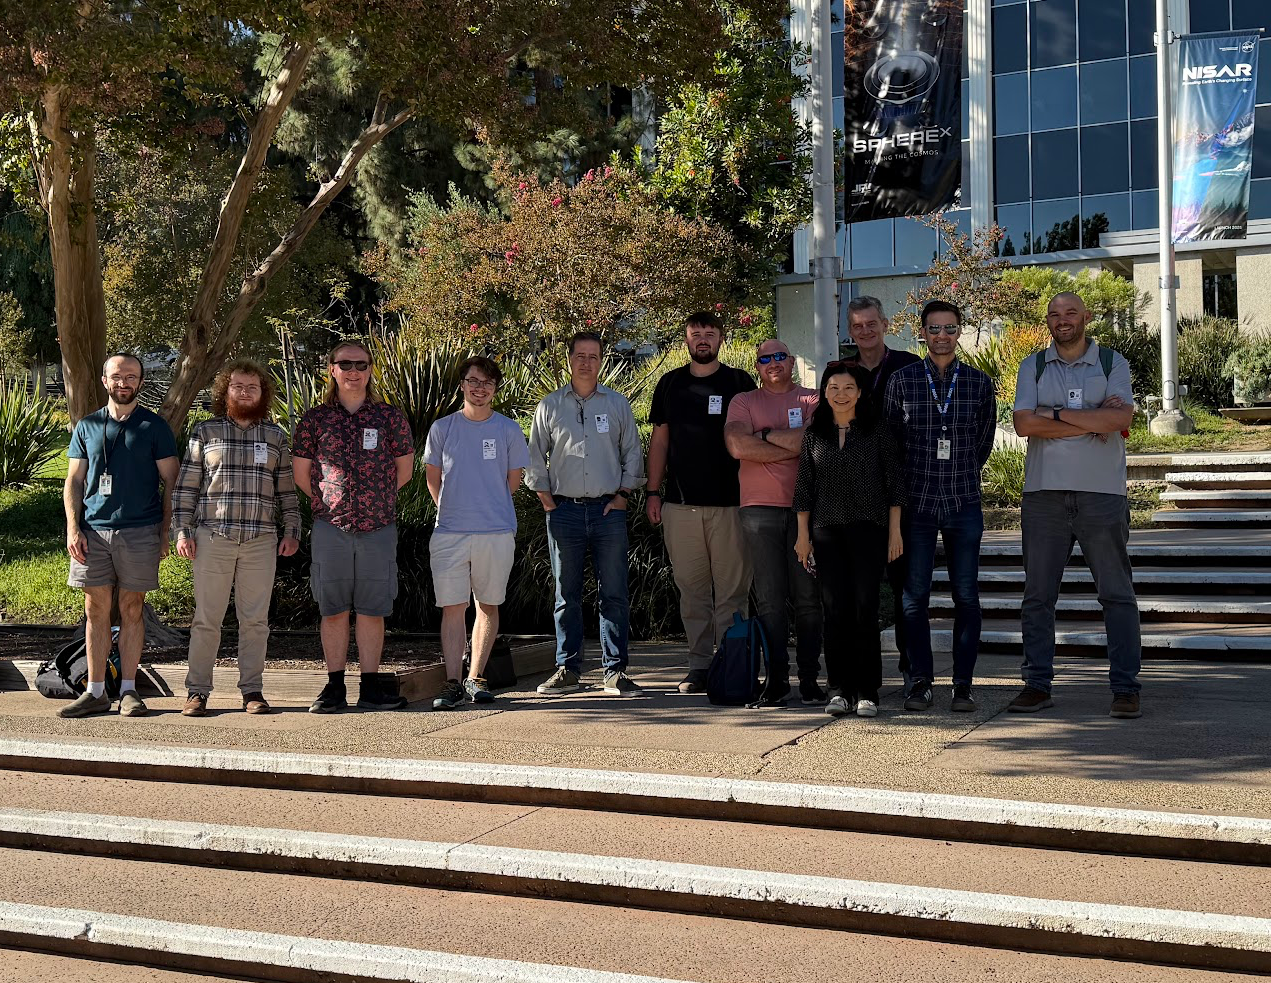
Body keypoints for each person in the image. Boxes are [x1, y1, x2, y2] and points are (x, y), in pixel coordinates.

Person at [1011, 292, 1141, 718]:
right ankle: (1037, 684)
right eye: (1054, 314)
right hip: (1043, 495)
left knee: (1117, 595)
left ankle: (1125, 689)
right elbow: (1023, 424)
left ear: (1086, 316)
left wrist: (1054, 416)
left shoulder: (1112, 363)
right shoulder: (1032, 365)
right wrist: (1088, 417)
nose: (1062, 320)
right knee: (1037, 596)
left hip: (1102, 494)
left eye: (1070, 313)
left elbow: (1119, 420)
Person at [884, 300, 996, 713]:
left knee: (967, 597)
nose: (942, 336)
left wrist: (960, 473)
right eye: (934, 329)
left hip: (963, 501)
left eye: (949, 328)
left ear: (959, 331)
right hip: (916, 504)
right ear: (923, 333)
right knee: (914, 599)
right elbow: (891, 447)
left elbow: (981, 444)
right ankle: (920, 682)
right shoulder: (903, 381)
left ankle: (963, 685)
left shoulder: (979, 384)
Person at [172, 359, 302, 716]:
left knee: (255, 622)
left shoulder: (275, 436)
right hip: (213, 537)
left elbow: (287, 493)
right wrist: (182, 531)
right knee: (206, 620)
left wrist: (292, 530)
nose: (244, 393)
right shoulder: (205, 432)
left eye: (252, 388)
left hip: (261, 540)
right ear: (224, 391)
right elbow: (185, 489)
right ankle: (197, 691)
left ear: (263, 393)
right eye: (237, 387)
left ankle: (252, 691)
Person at [292, 339, 415, 713]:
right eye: (345, 364)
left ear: (370, 369)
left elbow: (405, 470)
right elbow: (302, 474)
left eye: (361, 364)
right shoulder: (315, 419)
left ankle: (371, 687)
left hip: (378, 527)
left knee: (372, 608)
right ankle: (333, 687)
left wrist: (373, 500)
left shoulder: (389, 417)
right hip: (332, 527)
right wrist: (333, 503)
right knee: (332, 609)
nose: (353, 371)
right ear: (332, 370)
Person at [60, 353, 179, 718]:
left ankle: (128, 691)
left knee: (131, 608)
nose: (123, 382)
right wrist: (73, 527)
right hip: (93, 533)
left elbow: (171, 482)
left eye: (131, 376)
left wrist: (164, 531)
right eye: (116, 376)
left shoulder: (155, 427)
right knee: (95, 609)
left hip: (139, 532)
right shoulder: (87, 426)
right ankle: (95, 691)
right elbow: (74, 481)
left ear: (140, 382)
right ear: (104, 381)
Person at [527, 331, 645, 695]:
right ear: (569, 359)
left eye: (593, 356)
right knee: (567, 595)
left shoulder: (617, 404)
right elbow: (535, 457)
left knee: (614, 593)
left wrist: (624, 494)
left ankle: (615, 671)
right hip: (563, 511)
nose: (586, 362)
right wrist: (548, 501)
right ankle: (568, 669)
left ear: (601, 360)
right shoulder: (550, 405)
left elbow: (633, 452)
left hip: (609, 511)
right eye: (580, 355)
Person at [646, 312, 756, 694]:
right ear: (687, 340)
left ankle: (732, 664)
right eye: (696, 334)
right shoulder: (670, 383)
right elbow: (659, 441)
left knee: (732, 592)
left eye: (710, 333)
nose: (703, 339)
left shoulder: (740, 383)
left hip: (732, 505)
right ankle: (699, 666)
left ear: (722, 339)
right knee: (692, 591)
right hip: (680, 505)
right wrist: (653, 491)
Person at [794, 363, 904, 717]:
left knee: (864, 609)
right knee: (835, 611)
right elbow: (803, 490)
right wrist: (802, 537)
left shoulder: (877, 431)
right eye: (833, 387)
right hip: (826, 532)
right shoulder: (815, 434)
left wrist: (894, 532)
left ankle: (867, 690)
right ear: (824, 393)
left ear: (860, 393)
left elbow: (895, 487)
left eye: (848, 387)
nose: (840, 394)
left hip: (869, 530)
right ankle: (838, 690)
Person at [424, 356, 530, 709]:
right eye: (473, 381)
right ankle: (453, 681)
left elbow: (512, 481)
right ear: (462, 384)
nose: (479, 388)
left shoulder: (508, 429)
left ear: (495, 388)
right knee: (453, 606)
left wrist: (486, 505)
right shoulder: (442, 428)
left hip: (496, 530)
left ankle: (476, 677)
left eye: (486, 382)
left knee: (488, 603)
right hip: (450, 532)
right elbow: (432, 479)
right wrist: (453, 510)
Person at [724, 340, 824, 706]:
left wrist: (763, 437)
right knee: (769, 600)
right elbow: (737, 446)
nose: (773, 363)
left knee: (808, 599)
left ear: (792, 361)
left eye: (780, 356)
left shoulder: (813, 399)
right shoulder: (744, 402)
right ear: (757, 366)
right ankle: (778, 679)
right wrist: (790, 447)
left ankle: (810, 679)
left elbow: (815, 440)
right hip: (759, 510)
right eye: (765, 359)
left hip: (806, 510)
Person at [844, 296, 922, 687]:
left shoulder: (909, 366)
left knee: (906, 588)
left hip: (903, 496)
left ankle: (912, 671)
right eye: (857, 325)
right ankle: (862, 678)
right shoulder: (840, 372)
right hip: (856, 499)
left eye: (871, 323)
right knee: (860, 595)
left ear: (885, 324)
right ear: (849, 329)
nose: (865, 331)